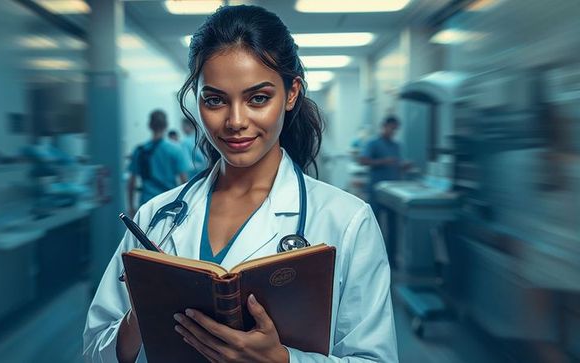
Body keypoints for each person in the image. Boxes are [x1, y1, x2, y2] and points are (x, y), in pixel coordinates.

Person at [84, 5, 398, 363]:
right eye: (215, 100)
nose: (235, 121)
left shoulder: (347, 221)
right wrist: (141, 314)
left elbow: (375, 359)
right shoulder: (156, 216)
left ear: (291, 92)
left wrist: (282, 360)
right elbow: (95, 349)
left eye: (258, 98)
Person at [359, 115, 411, 267]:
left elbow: (397, 163)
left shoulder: (396, 146)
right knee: (375, 227)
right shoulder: (373, 143)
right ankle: (374, 259)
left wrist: (404, 166)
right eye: (391, 128)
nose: (393, 132)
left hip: (392, 193)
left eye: (395, 129)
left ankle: (392, 259)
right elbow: (363, 160)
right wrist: (383, 161)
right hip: (377, 192)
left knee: (393, 227)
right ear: (384, 126)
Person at [126, 110, 189, 217]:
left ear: (149, 125)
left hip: (146, 204)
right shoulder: (175, 149)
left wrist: (131, 207)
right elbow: (184, 181)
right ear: (166, 125)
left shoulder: (140, 150)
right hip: (169, 204)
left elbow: (131, 182)